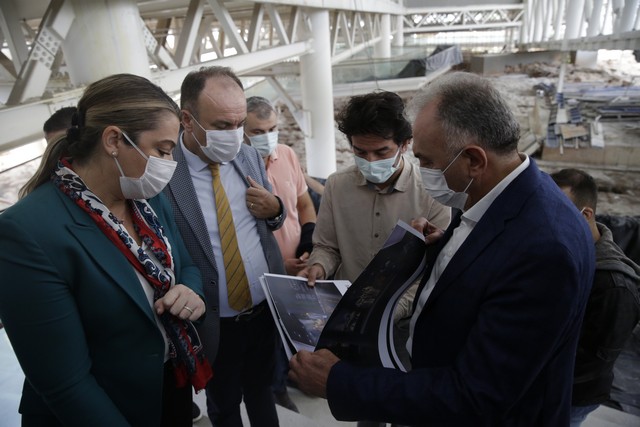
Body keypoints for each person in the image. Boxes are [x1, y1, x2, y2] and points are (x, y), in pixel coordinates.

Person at [289, 72, 595, 426]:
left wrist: (338, 382)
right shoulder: (502, 199)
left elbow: (476, 396)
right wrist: (441, 249)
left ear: (474, 160)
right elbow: (485, 271)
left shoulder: (544, 250)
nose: (423, 171)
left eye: (427, 161)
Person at [0, 73, 210, 427]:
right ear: (113, 140)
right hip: (102, 409)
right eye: (162, 150)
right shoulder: (27, 232)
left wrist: (191, 291)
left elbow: (186, 264)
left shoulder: (147, 199)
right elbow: (65, 383)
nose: (169, 163)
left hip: (169, 388)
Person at [164, 66, 285, 427]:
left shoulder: (248, 156)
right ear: (187, 119)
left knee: (263, 391)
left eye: (239, 124)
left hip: (263, 311)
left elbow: (270, 220)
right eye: (221, 125)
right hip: (214, 322)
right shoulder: (164, 174)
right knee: (224, 404)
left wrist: (276, 209)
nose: (234, 135)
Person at [299, 90, 450, 287]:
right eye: (360, 152)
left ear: (404, 145)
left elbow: (436, 264)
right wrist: (318, 266)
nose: (370, 161)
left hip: (405, 303)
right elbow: (327, 247)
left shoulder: (433, 192)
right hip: (345, 298)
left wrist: (394, 304)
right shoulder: (336, 185)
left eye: (381, 152)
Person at [550, 168, 640, 426]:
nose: (548, 220)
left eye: (558, 211)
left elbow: (591, 364)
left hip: (570, 396)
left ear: (586, 214)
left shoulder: (615, 286)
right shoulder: (561, 252)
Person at [244, 96, 316, 276]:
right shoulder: (234, 169)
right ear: (241, 130)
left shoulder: (287, 154)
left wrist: (307, 246)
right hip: (260, 272)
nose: (267, 137)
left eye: (272, 129)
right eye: (258, 132)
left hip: (300, 263)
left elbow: (305, 205)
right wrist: (279, 266)